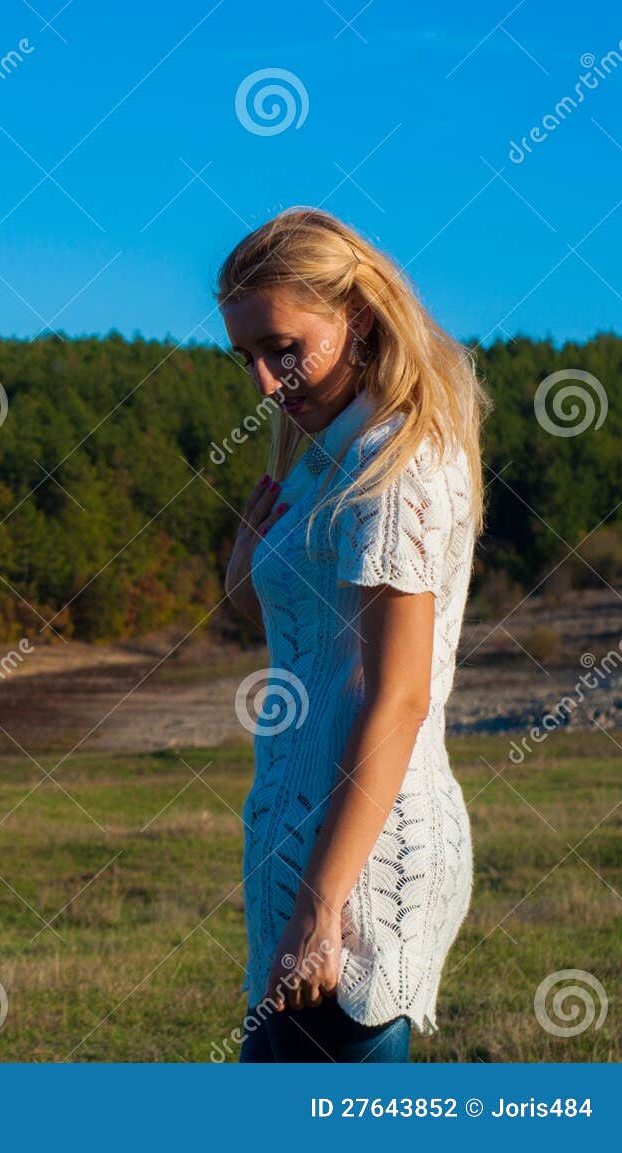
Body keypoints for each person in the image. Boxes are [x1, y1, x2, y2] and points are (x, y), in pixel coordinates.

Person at [218, 208, 489, 1061]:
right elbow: (311, 633)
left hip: (361, 879)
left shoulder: (394, 462)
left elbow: (398, 697)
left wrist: (322, 907)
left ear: (359, 318)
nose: (266, 383)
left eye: (283, 349)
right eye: (246, 358)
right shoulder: (325, 459)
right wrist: (243, 571)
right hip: (309, 862)